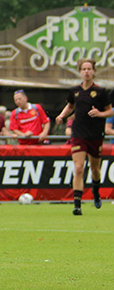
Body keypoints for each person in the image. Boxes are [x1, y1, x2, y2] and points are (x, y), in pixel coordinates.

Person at [52, 58, 113, 215]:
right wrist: (61, 115)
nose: (86, 71)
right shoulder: (74, 90)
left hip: (95, 134)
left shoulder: (101, 91)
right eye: (83, 69)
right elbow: (71, 105)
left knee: (95, 169)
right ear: (80, 71)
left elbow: (110, 111)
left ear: (94, 71)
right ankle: (77, 204)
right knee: (78, 168)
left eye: (89, 69)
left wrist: (100, 113)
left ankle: (96, 191)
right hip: (78, 133)